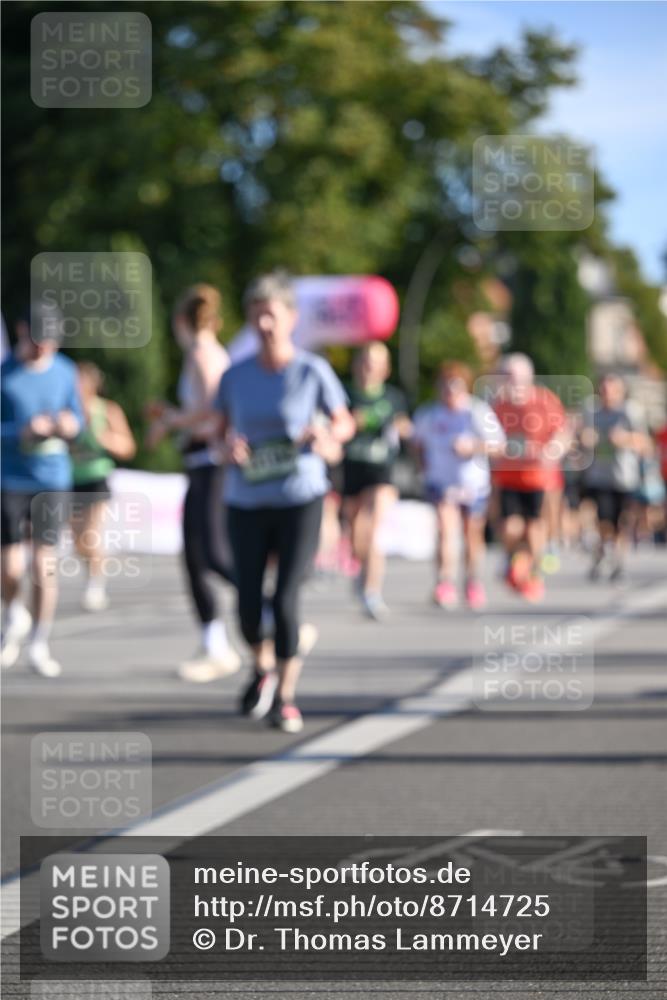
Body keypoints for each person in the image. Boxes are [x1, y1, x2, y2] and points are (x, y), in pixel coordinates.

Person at [214, 271, 354, 733]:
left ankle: (287, 698)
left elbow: (344, 422)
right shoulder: (235, 376)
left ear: (291, 318)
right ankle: (262, 667)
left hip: (300, 496)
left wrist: (328, 435)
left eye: (271, 314)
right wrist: (227, 449)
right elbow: (216, 437)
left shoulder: (311, 370)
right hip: (247, 499)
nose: (264, 324)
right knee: (249, 605)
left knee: (288, 598)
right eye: (256, 315)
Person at [146, 284, 239, 681]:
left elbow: (211, 410)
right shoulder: (209, 352)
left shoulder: (202, 354)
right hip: (204, 462)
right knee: (199, 557)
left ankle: (270, 613)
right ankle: (215, 641)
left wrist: (171, 420)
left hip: (209, 462)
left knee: (212, 555)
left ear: (181, 321)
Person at [1, 303, 83, 676]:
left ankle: (39, 640)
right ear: (22, 331)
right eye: (37, 339)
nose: (43, 348)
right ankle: (12, 616)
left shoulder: (65, 371)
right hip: (10, 478)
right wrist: (20, 432)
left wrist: (68, 425)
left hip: (52, 480)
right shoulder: (5, 375)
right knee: (11, 565)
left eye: (50, 341)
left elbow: (78, 419)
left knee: (43, 564)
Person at [412, 361, 505, 610]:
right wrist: (423, 467)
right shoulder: (429, 414)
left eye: (456, 386)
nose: (450, 391)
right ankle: (444, 582)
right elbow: (417, 442)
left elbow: (498, 445)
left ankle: (472, 582)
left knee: (472, 535)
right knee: (445, 530)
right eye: (445, 386)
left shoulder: (476, 411)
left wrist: (472, 446)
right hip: (441, 482)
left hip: (473, 484)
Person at [342, 342, 411, 620]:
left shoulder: (393, 397)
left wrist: (401, 428)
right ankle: (362, 570)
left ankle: (372, 592)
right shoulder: (346, 394)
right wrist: (350, 423)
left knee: (373, 531)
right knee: (357, 533)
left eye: (376, 362)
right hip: (351, 469)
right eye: (365, 360)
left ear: (385, 368)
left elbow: (405, 425)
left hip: (382, 471)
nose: (369, 366)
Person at [492, 353, 568, 602]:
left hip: (538, 478)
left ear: (528, 377)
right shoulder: (497, 405)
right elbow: (488, 438)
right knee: (511, 528)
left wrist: (550, 452)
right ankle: (513, 560)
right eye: (504, 376)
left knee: (535, 528)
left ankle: (533, 575)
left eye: (512, 376)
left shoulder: (545, 401)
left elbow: (563, 434)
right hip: (508, 477)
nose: (509, 382)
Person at [69, 362, 136, 611]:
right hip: (70, 479)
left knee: (90, 533)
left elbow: (128, 446)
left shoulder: (107, 410)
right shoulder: (66, 411)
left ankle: (95, 585)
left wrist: (105, 439)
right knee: (77, 541)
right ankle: (93, 573)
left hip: (96, 478)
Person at [581, 374, 650, 581]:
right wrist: (585, 438)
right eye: (603, 390)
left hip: (625, 476)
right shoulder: (591, 410)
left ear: (620, 392)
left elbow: (645, 443)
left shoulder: (630, 412)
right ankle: (603, 552)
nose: (607, 395)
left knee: (623, 521)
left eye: (611, 391)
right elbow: (581, 435)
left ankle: (618, 562)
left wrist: (625, 439)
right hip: (598, 476)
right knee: (603, 520)